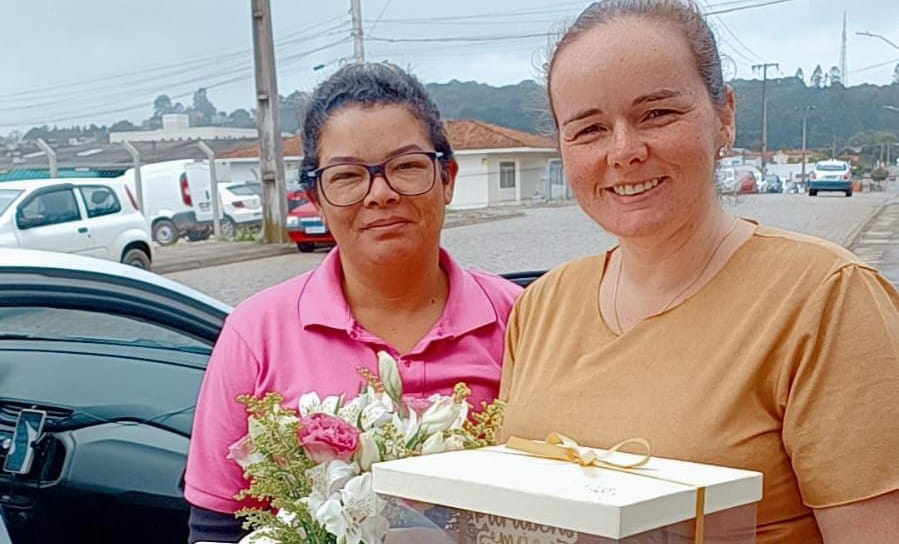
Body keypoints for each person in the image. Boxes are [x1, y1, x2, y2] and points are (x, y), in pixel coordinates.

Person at [499, 1, 899, 543]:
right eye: (590, 129)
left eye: (657, 114)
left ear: (724, 115)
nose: (625, 151)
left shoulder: (825, 299)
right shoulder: (541, 307)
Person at [185, 62, 522, 543]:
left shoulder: (520, 320)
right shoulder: (257, 332)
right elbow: (216, 528)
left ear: (446, 177)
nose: (381, 194)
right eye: (347, 176)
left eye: (406, 166)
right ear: (316, 198)